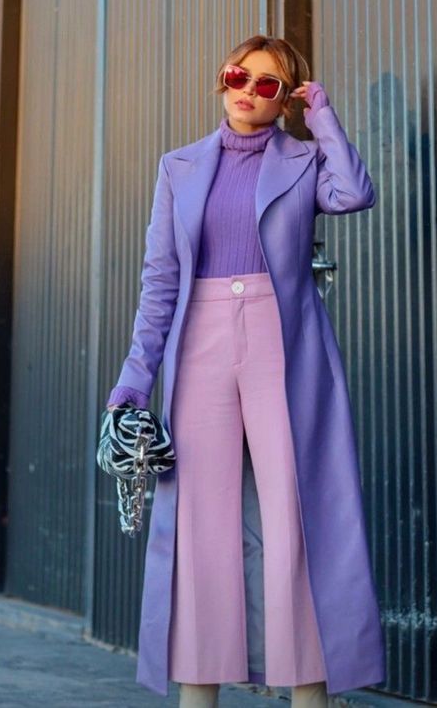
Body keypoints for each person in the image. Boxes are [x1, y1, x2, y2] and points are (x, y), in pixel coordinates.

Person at [105, 35, 386, 708]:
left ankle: (309, 695)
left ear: (284, 98)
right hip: (200, 340)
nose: (247, 91)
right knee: (199, 519)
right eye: (238, 75)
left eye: (268, 84)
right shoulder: (178, 166)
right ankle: (197, 695)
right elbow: (160, 281)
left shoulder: (304, 160)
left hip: (282, 341)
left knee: (296, 512)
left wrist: (322, 116)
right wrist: (134, 380)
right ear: (221, 79)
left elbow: (354, 194)